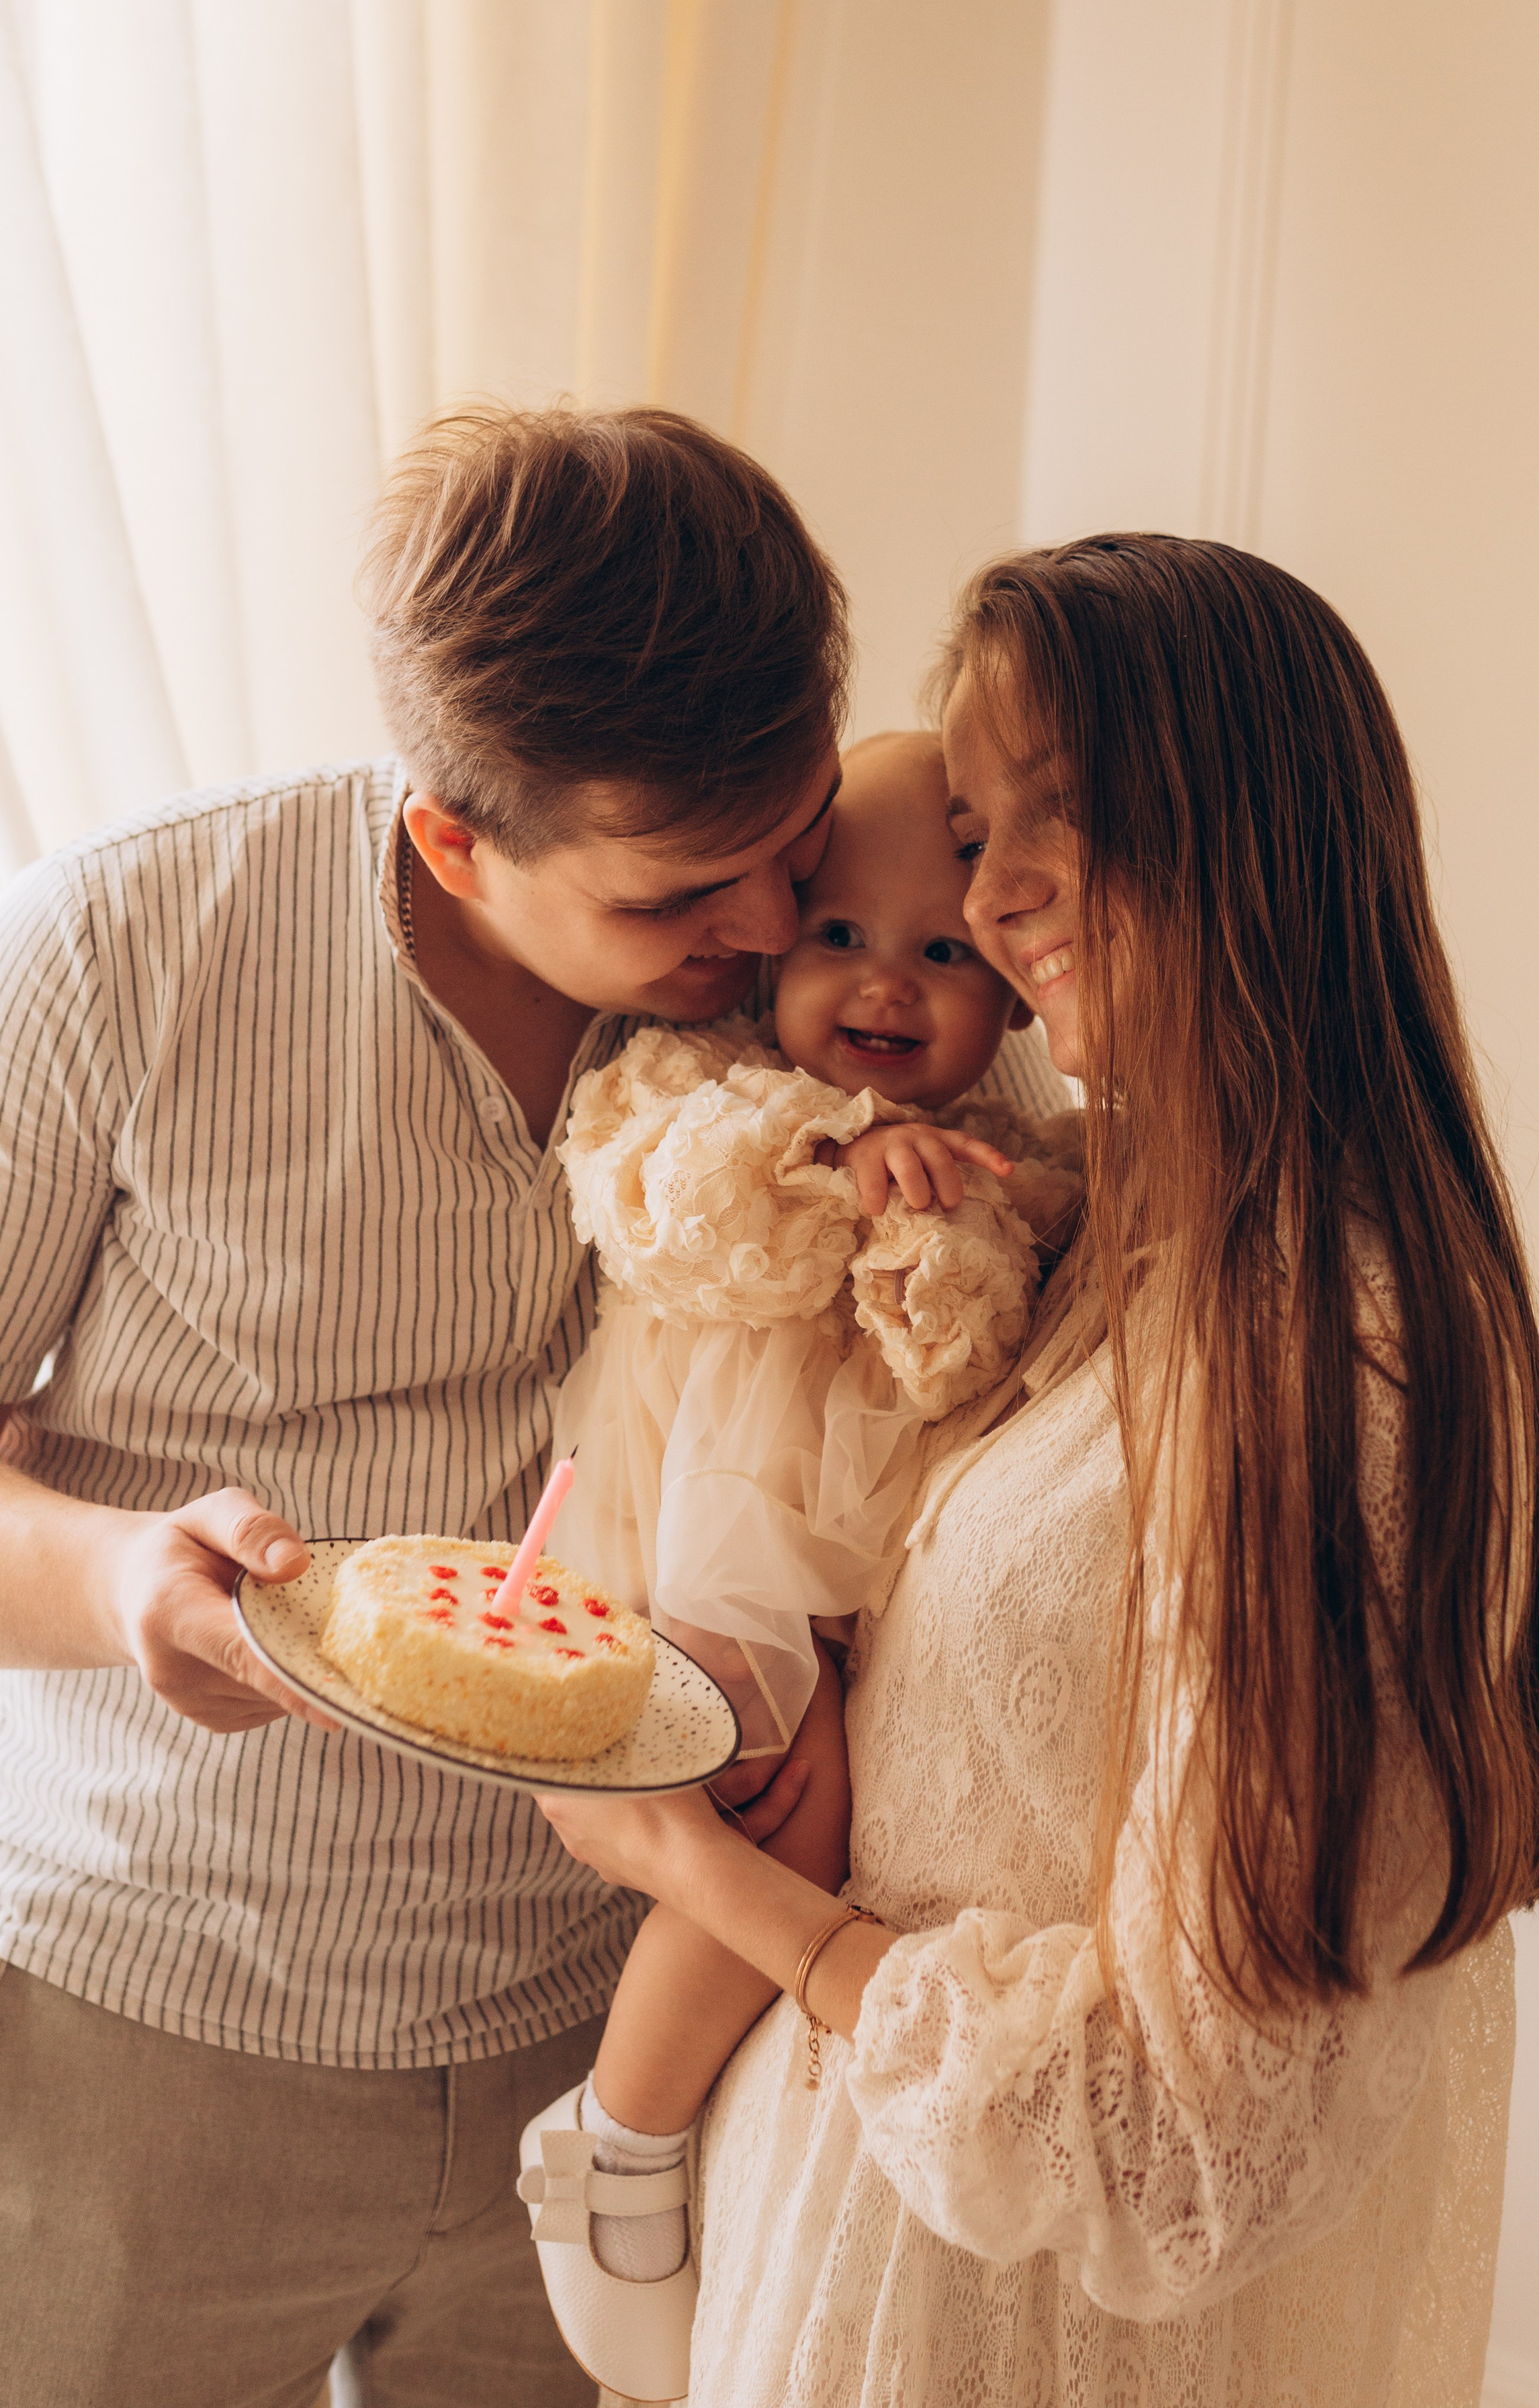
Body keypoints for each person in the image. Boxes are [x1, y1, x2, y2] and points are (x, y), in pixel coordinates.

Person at [0, 400, 1053, 2408]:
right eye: (680, 900)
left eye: (790, 841)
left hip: (627, 2038)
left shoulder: (869, 971)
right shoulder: (121, 947)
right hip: (144, 2039)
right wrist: (131, 1582)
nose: (763, 936)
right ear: (453, 837)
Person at [535, 533, 1539, 2407]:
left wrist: (701, 1877)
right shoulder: (1118, 1238)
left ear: (1252, 838)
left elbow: (1185, 2149)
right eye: (974, 821)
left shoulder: (1332, 1365)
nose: (998, 884)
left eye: (1065, 815)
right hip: (853, 2257)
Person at [518, 731, 1082, 2397]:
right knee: (775, 1809)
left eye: (946, 953)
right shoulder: (695, 1085)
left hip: (866, 1566)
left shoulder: (998, 1136)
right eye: (836, 934)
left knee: (852, 1828)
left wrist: (955, 1234)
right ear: (770, 941)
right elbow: (655, 1201)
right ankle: (620, 2129)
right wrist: (836, 1162)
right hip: (706, 1523)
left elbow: (962, 1353)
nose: (884, 988)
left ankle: (681, 2121)